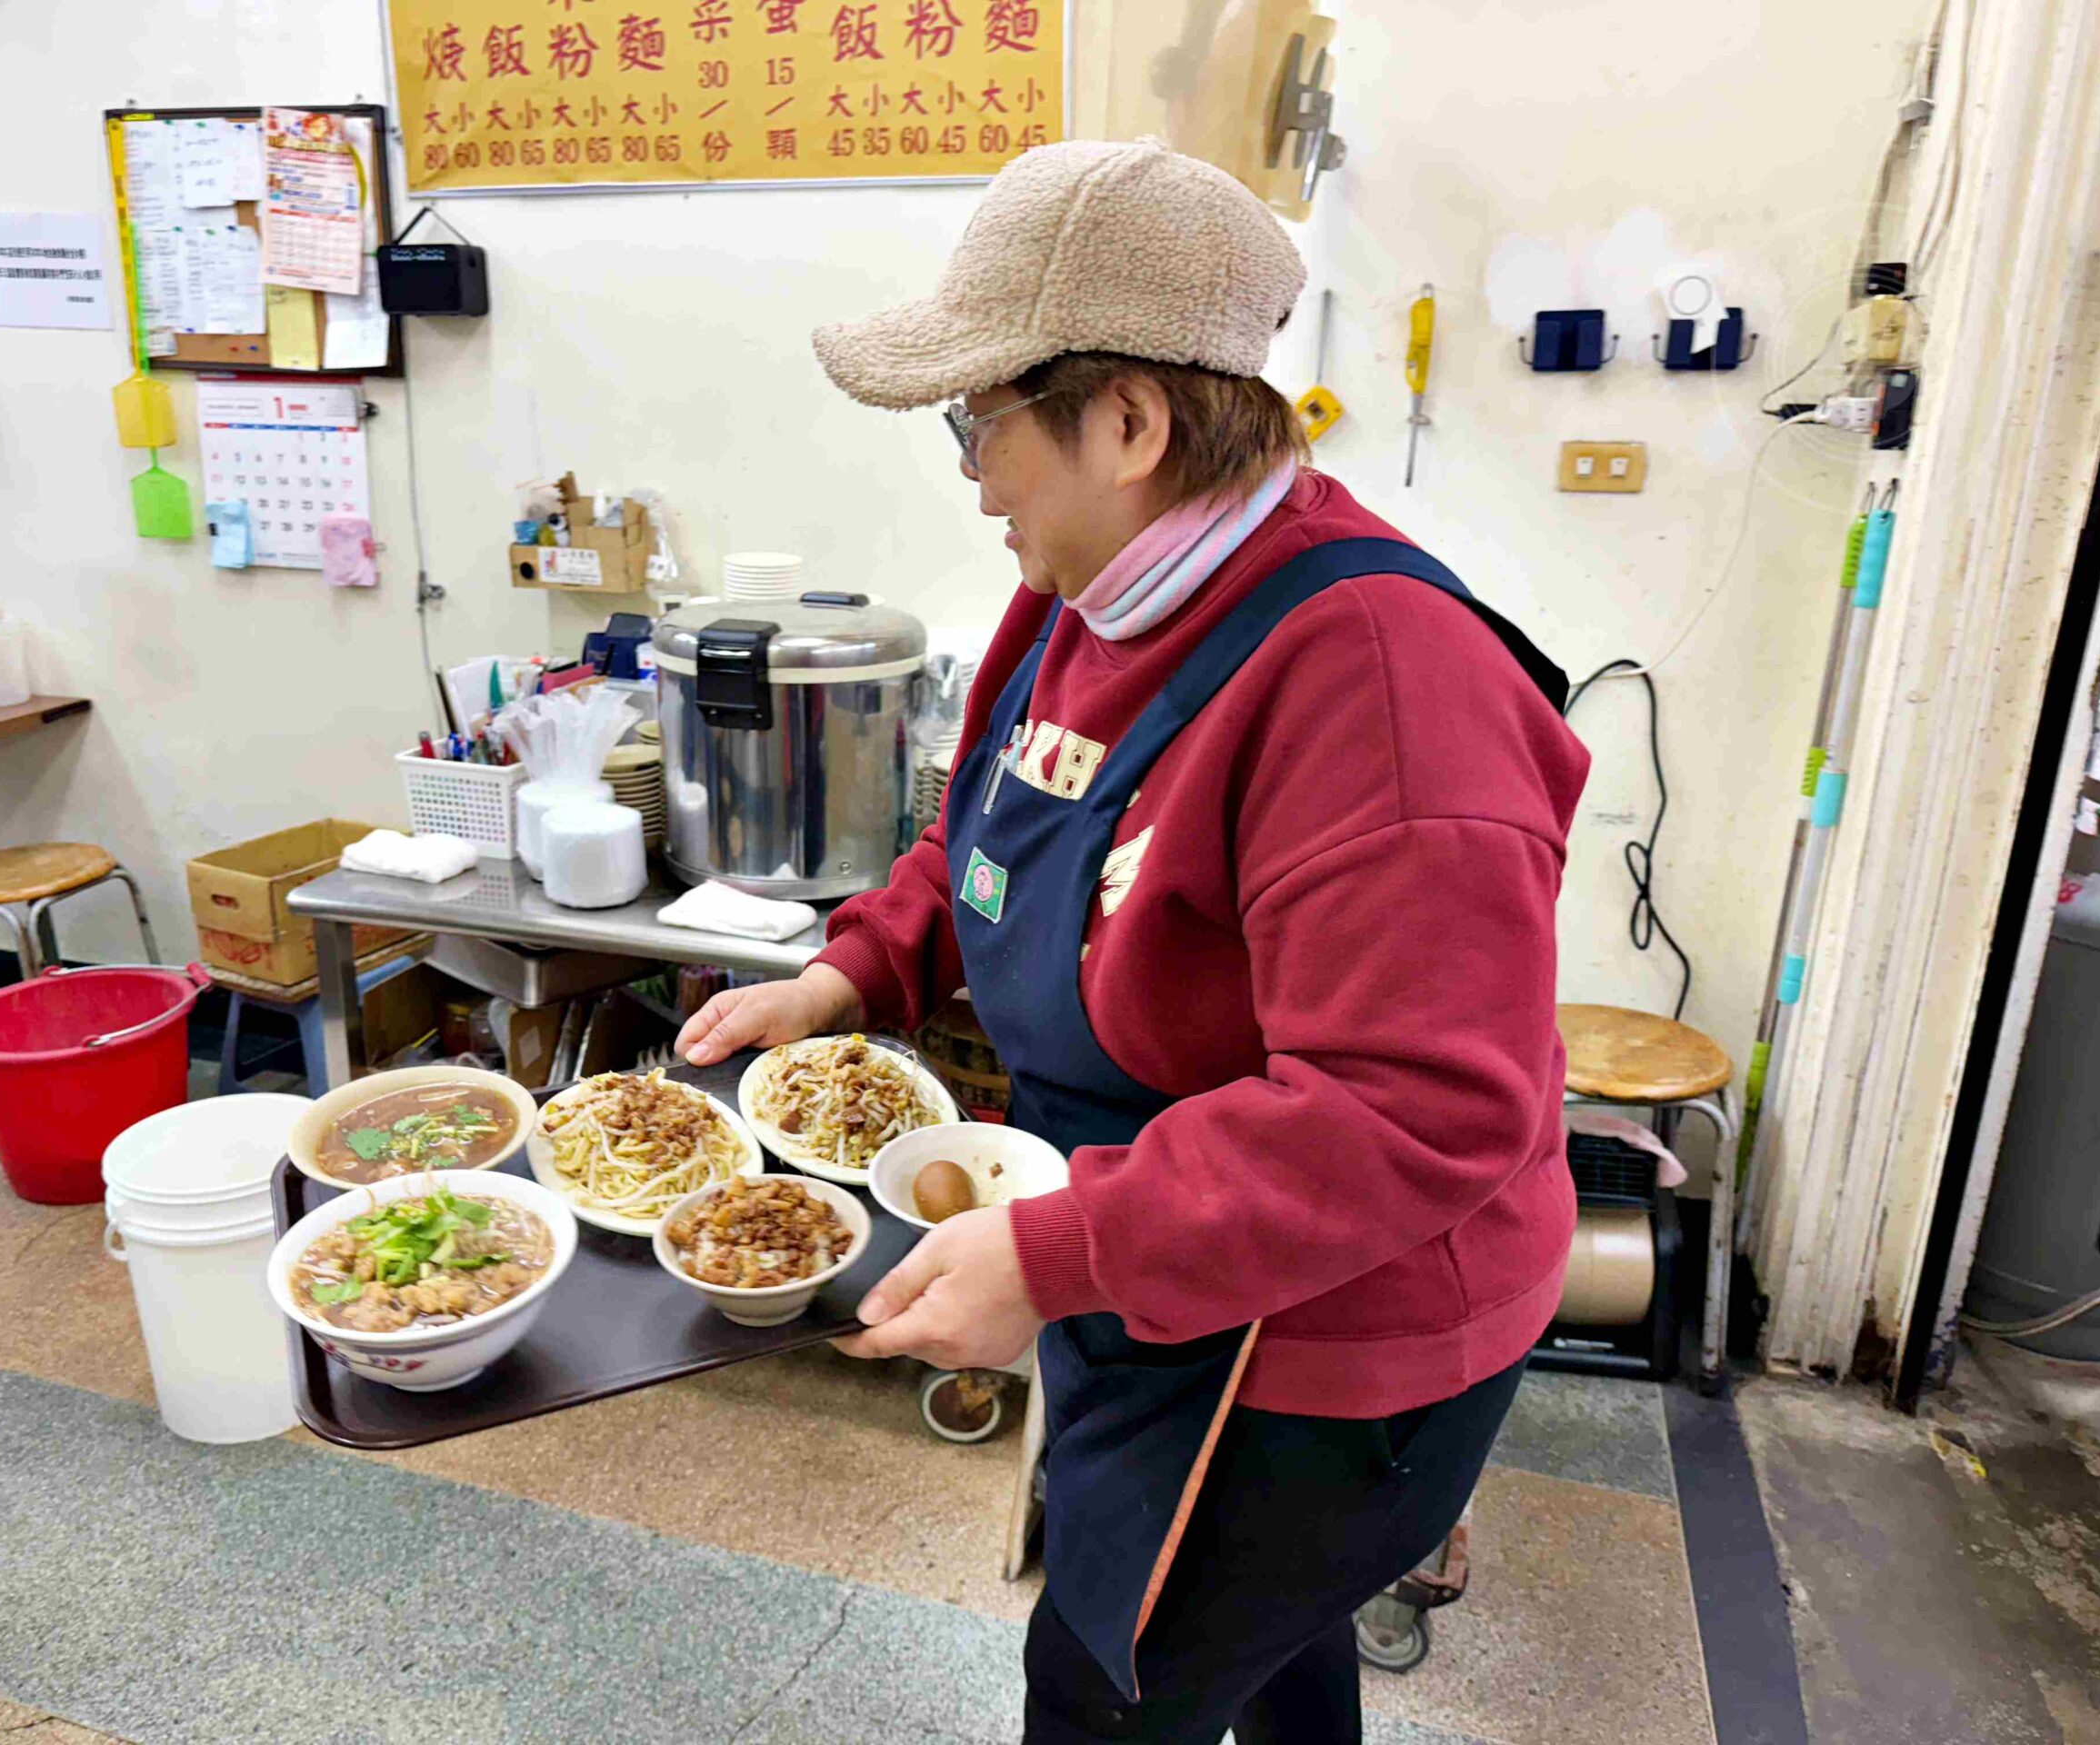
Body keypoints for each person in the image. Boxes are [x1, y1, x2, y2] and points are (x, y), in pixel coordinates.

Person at [679, 138, 1588, 1745]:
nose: (971, 474)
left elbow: (1418, 1108)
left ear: (1130, 420)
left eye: (981, 421)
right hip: (1160, 1242)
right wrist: (853, 971)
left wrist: (1053, 1254)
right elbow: (987, 830)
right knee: (1275, 1664)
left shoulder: (1373, 683)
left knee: (1109, 1689)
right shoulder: (1080, 597)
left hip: (1325, 1343)